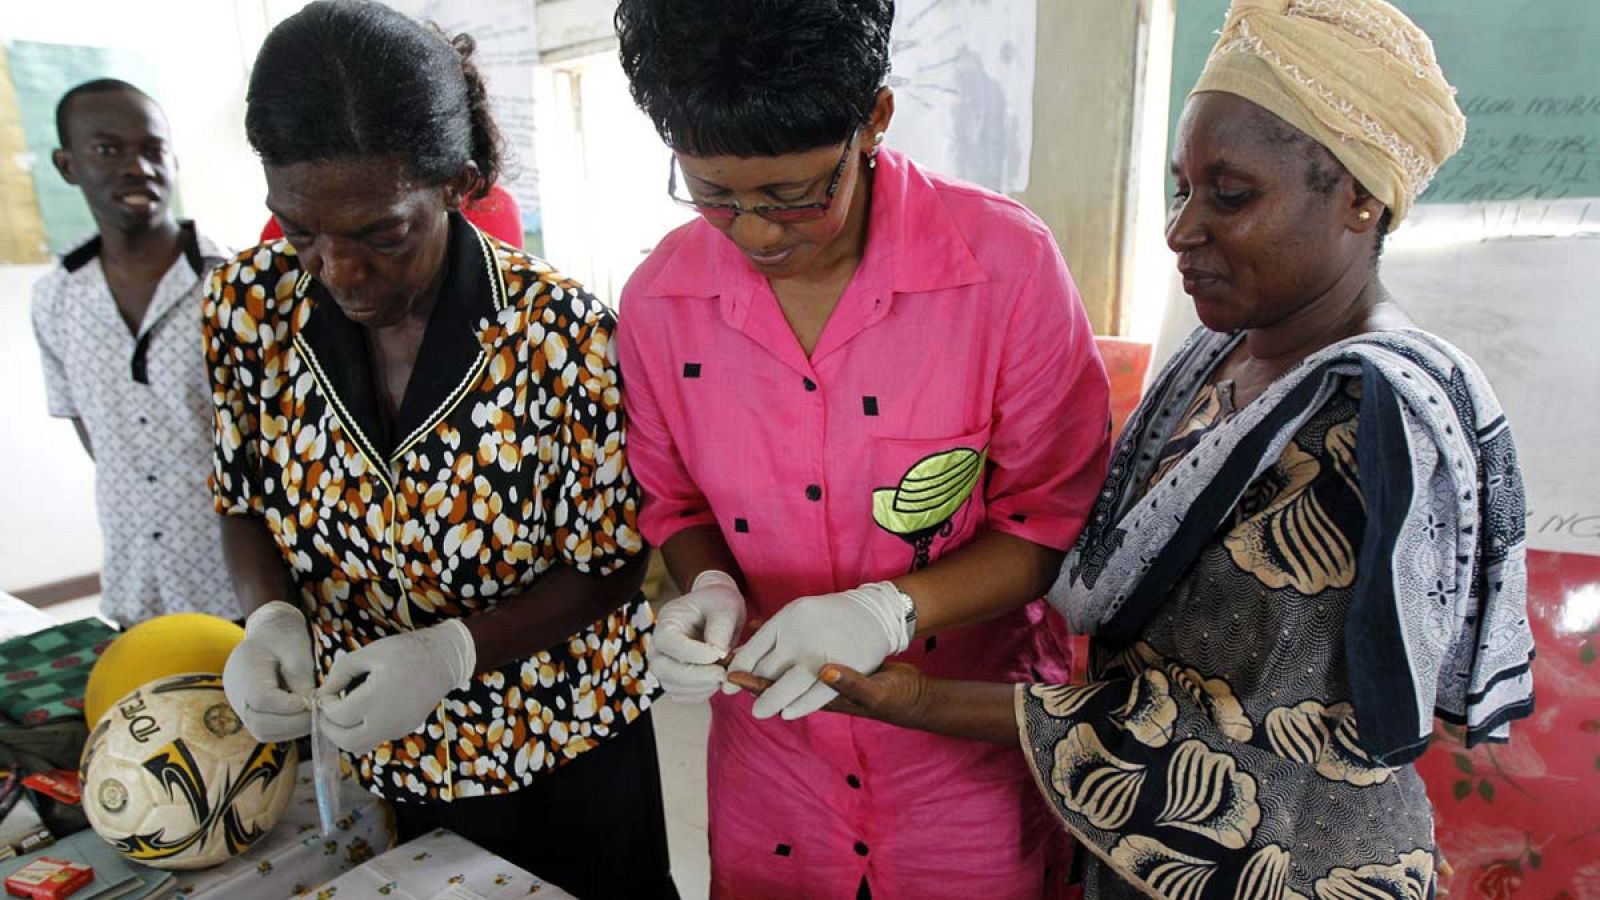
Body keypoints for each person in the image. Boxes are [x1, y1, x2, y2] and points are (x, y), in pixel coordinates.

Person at [772, 1, 1538, 897]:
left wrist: (917, 697)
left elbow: (1245, 739)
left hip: (1292, 865)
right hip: (1155, 852)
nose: (1180, 228)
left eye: (1231, 194)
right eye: (1182, 187)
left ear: (1361, 197)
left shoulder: (1358, 433)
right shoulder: (1228, 355)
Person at [613, 1, 1111, 896]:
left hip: (962, 747)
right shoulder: (660, 300)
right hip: (773, 757)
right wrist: (712, 587)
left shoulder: (1003, 268)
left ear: (873, 119)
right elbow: (675, 504)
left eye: (795, 196)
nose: (758, 232)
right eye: (715, 195)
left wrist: (892, 611)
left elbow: (1049, 522)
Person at [208, 3, 675, 896]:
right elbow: (241, 495)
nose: (338, 271)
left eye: (382, 233)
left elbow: (611, 562)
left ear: (455, 184)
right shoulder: (247, 308)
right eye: (300, 230)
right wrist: (268, 617)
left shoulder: (557, 331)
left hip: (561, 744)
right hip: (373, 753)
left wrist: (452, 652)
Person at [30, 79, 239, 626]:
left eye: (152, 149)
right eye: (108, 149)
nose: (136, 166)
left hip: (242, 590)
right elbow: (98, 439)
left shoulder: (233, 284)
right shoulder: (56, 299)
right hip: (137, 588)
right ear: (67, 165)